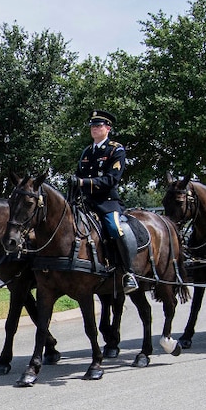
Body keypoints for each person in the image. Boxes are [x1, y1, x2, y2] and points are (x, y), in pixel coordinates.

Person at [73, 113, 133, 290]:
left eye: (98, 126)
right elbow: (78, 176)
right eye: (92, 126)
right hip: (85, 203)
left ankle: (128, 272)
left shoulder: (116, 150)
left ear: (108, 128)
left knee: (115, 228)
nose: (94, 129)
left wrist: (83, 183)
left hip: (107, 203)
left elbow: (111, 179)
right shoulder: (86, 152)